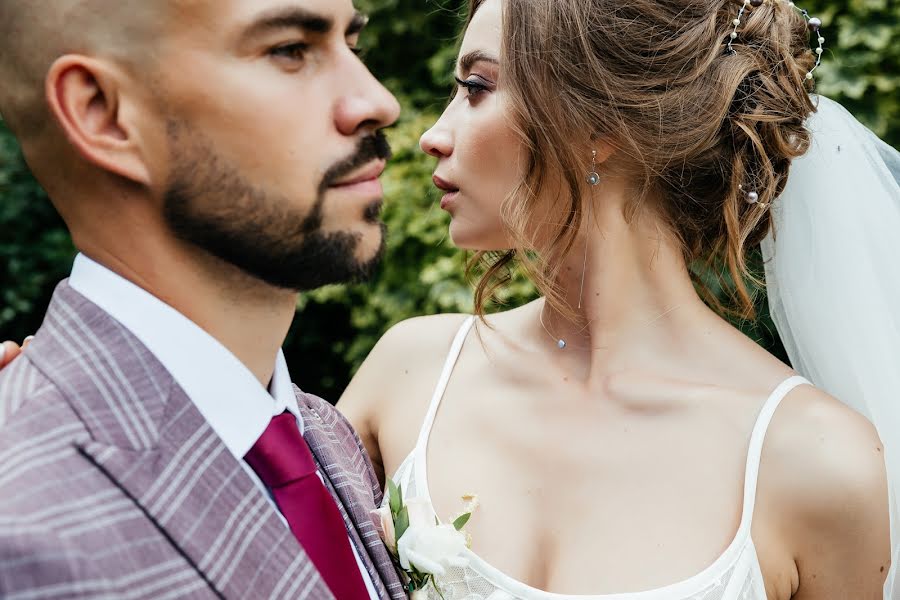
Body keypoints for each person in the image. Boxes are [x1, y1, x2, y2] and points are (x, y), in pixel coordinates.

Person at [338, 0, 895, 598]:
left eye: (476, 87)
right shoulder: (409, 375)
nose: (432, 136)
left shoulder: (814, 461)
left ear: (597, 127)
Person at [0, 1, 405, 598]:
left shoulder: (325, 433)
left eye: (353, 44)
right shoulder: (20, 520)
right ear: (104, 114)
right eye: (290, 50)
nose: (377, 102)